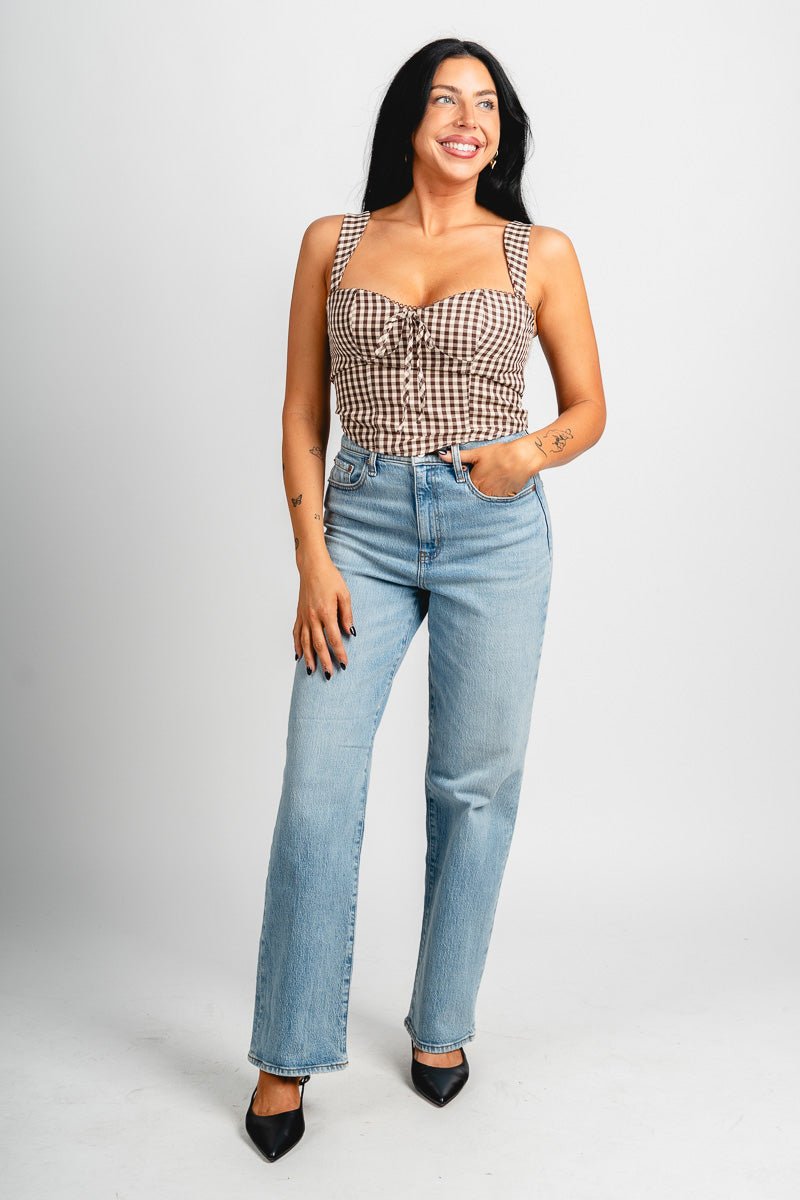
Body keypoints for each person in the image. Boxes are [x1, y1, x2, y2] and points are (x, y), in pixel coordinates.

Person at [244, 37, 606, 1162]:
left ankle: (442, 1020)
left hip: (494, 531)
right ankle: (284, 1053)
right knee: (316, 789)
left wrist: (525, 455)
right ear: (408, 119)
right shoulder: (334, 242)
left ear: (500, 135)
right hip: (359, 523)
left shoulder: (537, 251)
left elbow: (588, 408)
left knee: (473, 788)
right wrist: (311, 556)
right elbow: (301, 413)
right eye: (444, 99)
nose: (466, 118)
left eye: (484, 104)